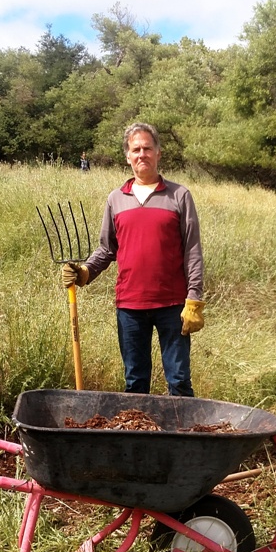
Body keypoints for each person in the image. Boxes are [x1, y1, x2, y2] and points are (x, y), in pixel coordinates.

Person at [62, 123, 204, 396]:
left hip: (173, 305)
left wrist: (194, 298)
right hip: (130, 306)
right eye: (135, 149)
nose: (142, 154)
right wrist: (85, 272)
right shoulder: (116, 199)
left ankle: (181, 438)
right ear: (127, 156)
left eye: (147, 148)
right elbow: (107, 249)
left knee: (179, 381)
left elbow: (193, 250)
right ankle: (140, 438)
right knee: (135, 383)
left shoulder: (179, 196)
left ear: (158, 153)